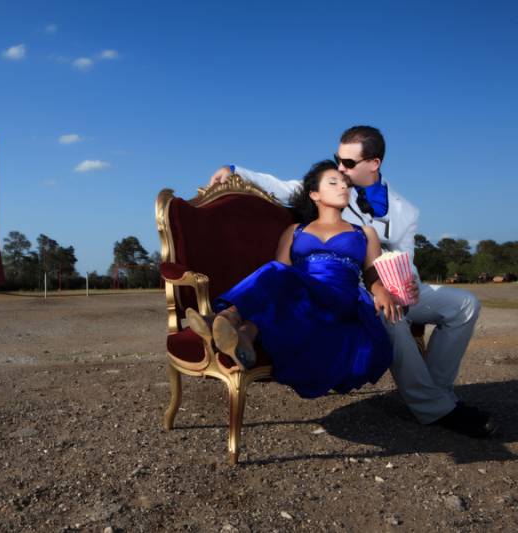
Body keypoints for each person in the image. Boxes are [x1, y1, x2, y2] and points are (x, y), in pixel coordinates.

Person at [207, 126, 493, 437]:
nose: (341, 168)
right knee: (390, 317)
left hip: (397, 285)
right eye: (337, 161)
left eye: (348, 163)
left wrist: (405, 285)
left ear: (374, 163)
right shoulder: (333, 191)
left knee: (466, 305)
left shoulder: (406, 211)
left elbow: (405, 259)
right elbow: (285, 187)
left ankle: (438, 392)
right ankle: (436, 409)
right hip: (355, 286)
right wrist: (234, 170)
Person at [188, 160, 397, 398]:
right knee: (277, 278)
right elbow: (276, 279)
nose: (343, 187)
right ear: (314, 194)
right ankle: (244, 336)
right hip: (304, 301)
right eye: (334, 182)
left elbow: (372, 272)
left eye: (346, 183)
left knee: (278, 273)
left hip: (341, 299)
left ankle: (224, 316)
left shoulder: (364, 232)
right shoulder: (295, 230)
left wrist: (380, 288)